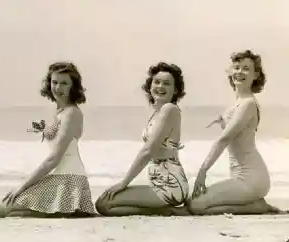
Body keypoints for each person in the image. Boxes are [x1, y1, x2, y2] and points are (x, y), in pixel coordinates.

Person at [188, 50, 282, 215]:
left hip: (251, 179)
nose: (239, 72)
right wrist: (221, 119)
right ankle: (255, 203)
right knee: (193, 201)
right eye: (236, 67)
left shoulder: (248, 104)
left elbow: (223, 140)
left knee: (196, 205)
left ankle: (258, 207)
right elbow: (233, 121)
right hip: (240, 178)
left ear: (256, 75)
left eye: (246, 68)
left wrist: (202, 172)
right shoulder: (238, 104)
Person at [0, 62, 96, 218]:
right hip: (58, 175)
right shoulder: (59, 112)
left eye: (64, 83)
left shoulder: (71, 113)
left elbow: (54, 158)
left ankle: (69, 210)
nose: (58, 88)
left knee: (9, 208)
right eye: (54, 82)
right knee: (9, 207)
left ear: (73, 86)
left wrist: (22, 186)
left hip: (69, 178)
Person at [95, 62, 190, 216]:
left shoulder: (169, 109)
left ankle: (170, 210)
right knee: (104, 204)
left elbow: (148, 151)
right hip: (158, 183)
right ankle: (165, 210)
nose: (160, 86)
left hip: (170, 185)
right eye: (156, 82)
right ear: (149, 85)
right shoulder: (157, 113)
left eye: (167, 83)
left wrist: (123, 183)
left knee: (104, 204)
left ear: (175, 90)